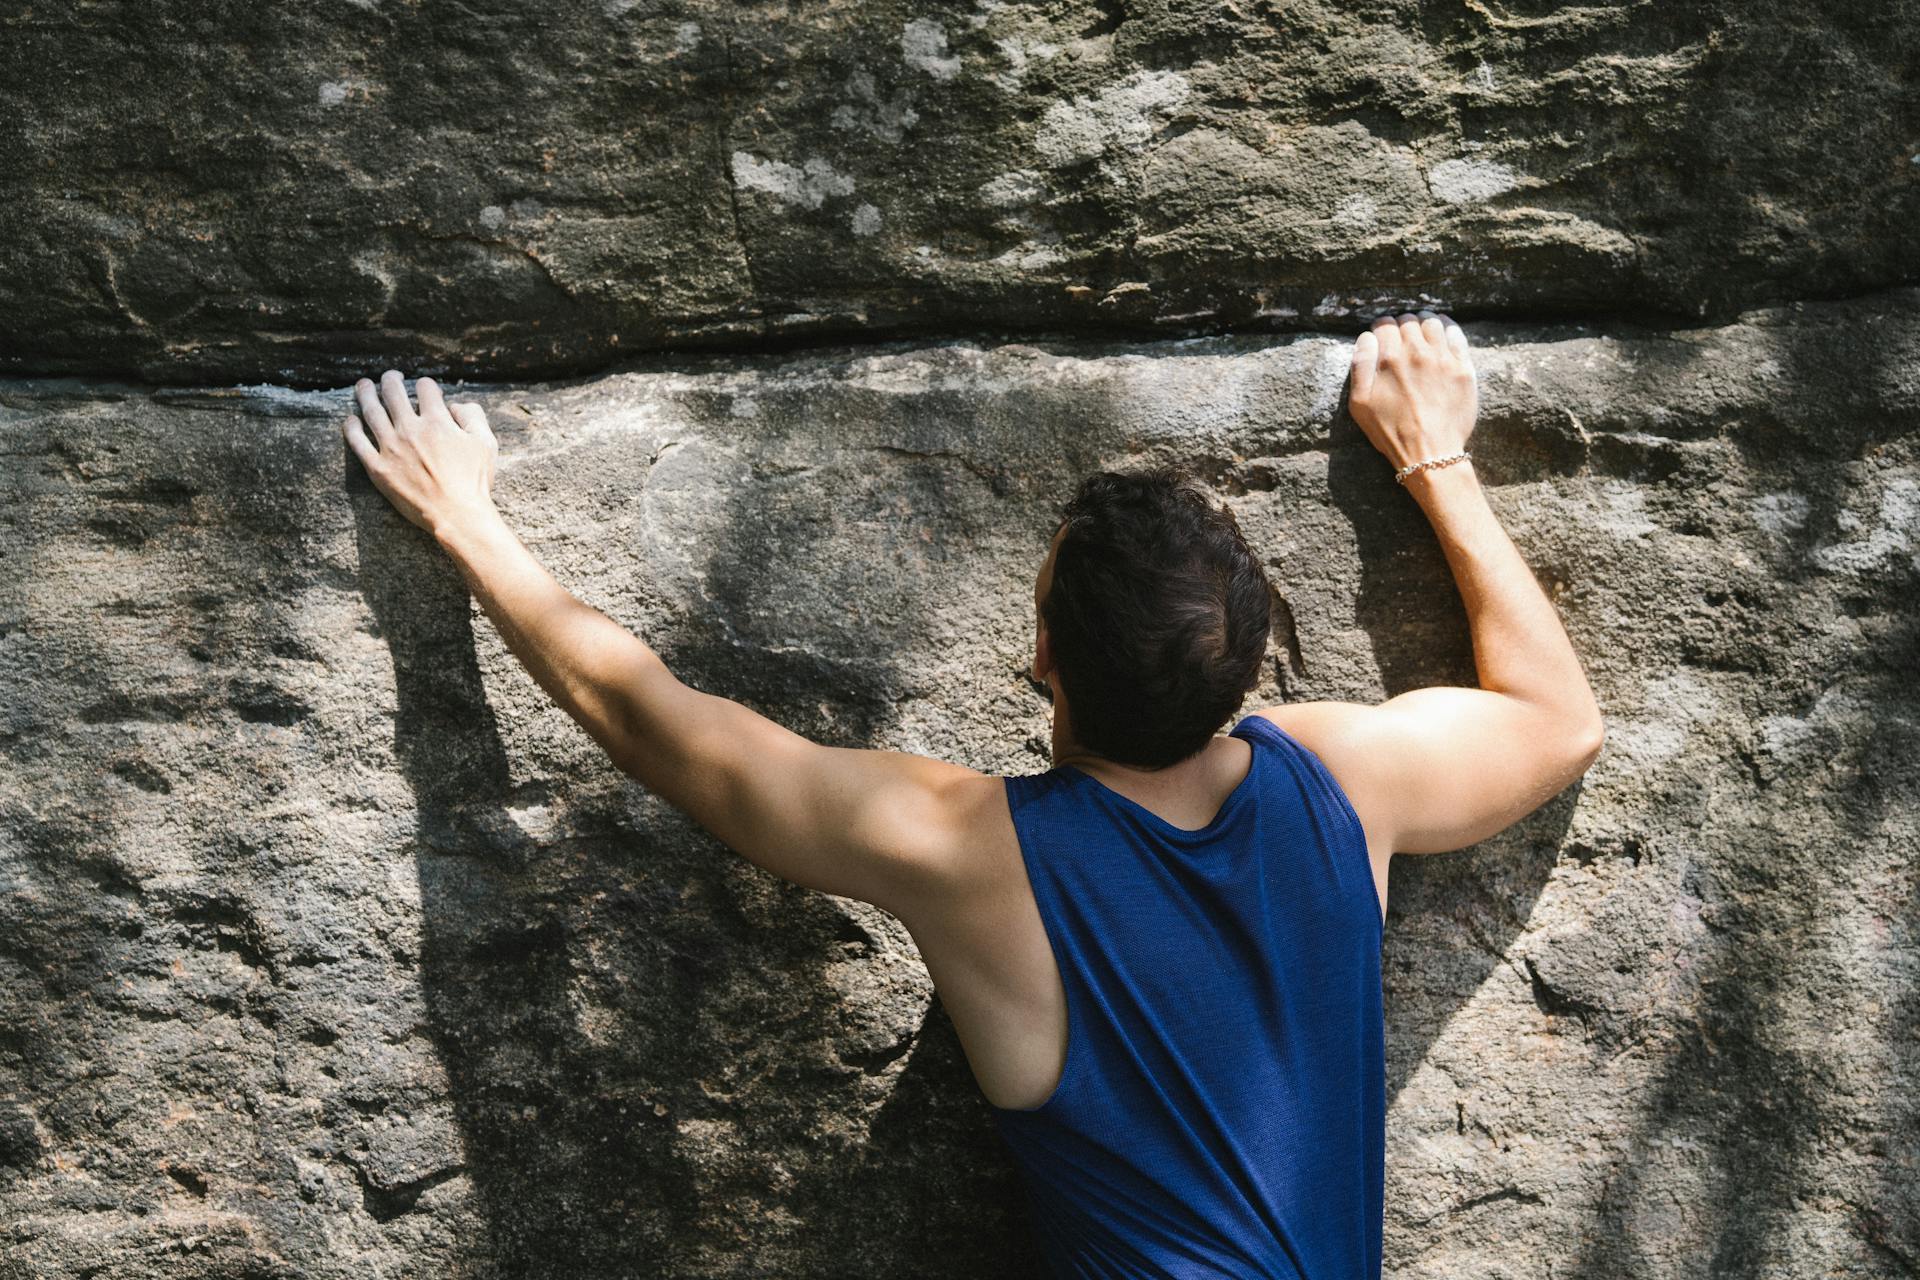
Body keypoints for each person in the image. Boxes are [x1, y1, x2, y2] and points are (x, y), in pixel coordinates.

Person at [342, 309, 1604, 1279]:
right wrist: (1435, 458)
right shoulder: (1344, 776)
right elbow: (1558, 721)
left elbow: (666, 727)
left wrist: (467, 518)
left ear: (1043, 653)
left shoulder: (983, 854)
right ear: (1253, 651)